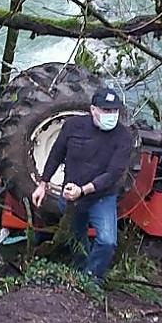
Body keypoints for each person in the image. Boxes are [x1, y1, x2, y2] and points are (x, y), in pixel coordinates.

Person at [31, 87, 133, 283]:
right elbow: (56, 154)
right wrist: (43, 184)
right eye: (106, 111)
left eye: (114, 111)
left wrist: (84, 190)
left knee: (107, 241)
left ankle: (92, 277)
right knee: (76, 235)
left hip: (101, 197)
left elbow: (113, 173)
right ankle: (79, 269)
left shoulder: (123, 137)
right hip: (70, 196)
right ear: (93, 109)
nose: (111, 115)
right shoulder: (73, 126)